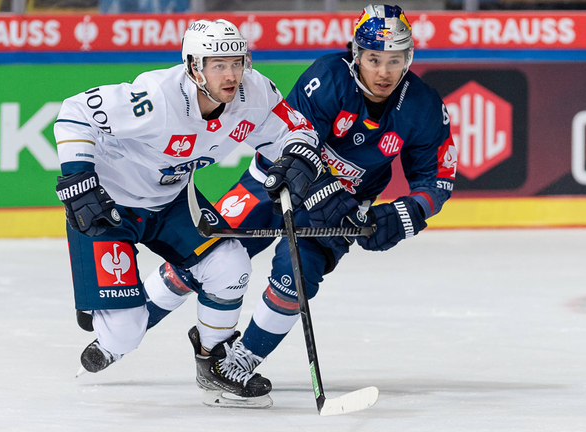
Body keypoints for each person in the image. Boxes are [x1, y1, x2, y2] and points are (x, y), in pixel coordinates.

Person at [53, 19, 328, 407]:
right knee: (125, 334)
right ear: (194, 67)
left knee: (231, 265)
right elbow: (75, 112)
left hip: (172, 202)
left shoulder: (254, 93)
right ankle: (102, 312)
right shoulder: (156, 98)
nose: (231, 75)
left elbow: (295, 129)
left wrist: (298, 157)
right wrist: (78, 177)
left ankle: (213, 361)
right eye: (218, 65)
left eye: (237, 63)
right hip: (109, 208)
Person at [207, 4, 458, 392]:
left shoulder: (422, 106)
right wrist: (326, 193)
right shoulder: (327, 77)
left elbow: (437, 179)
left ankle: (240, 361)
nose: (384, 72)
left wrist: (405, 214)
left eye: (394, 60)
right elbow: (294, 142)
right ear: (356, 54)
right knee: (204, 256)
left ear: (408, 58)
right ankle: (124, 331)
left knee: (296, 279)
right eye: (374, 59)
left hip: (341, 211)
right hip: (276, 185)